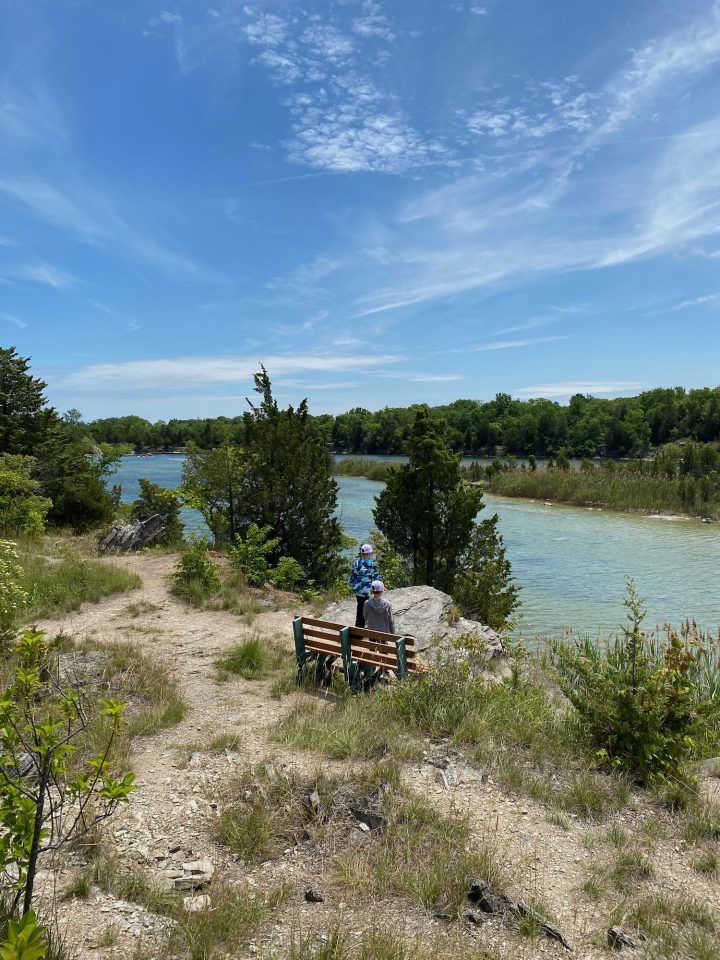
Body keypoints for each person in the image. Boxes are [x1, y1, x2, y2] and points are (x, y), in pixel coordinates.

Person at [348, 543, 379, 627]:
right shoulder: (372, 565)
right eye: (371, 553)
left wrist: (352, 585)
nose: (371, 555)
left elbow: (352, 577)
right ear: (369, 554)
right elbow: (376, 579)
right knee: (365, 607)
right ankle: (361, 626)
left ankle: (359, 624)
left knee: (360, 605)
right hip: (367, 591)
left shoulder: (356, 563)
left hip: (357, 590)